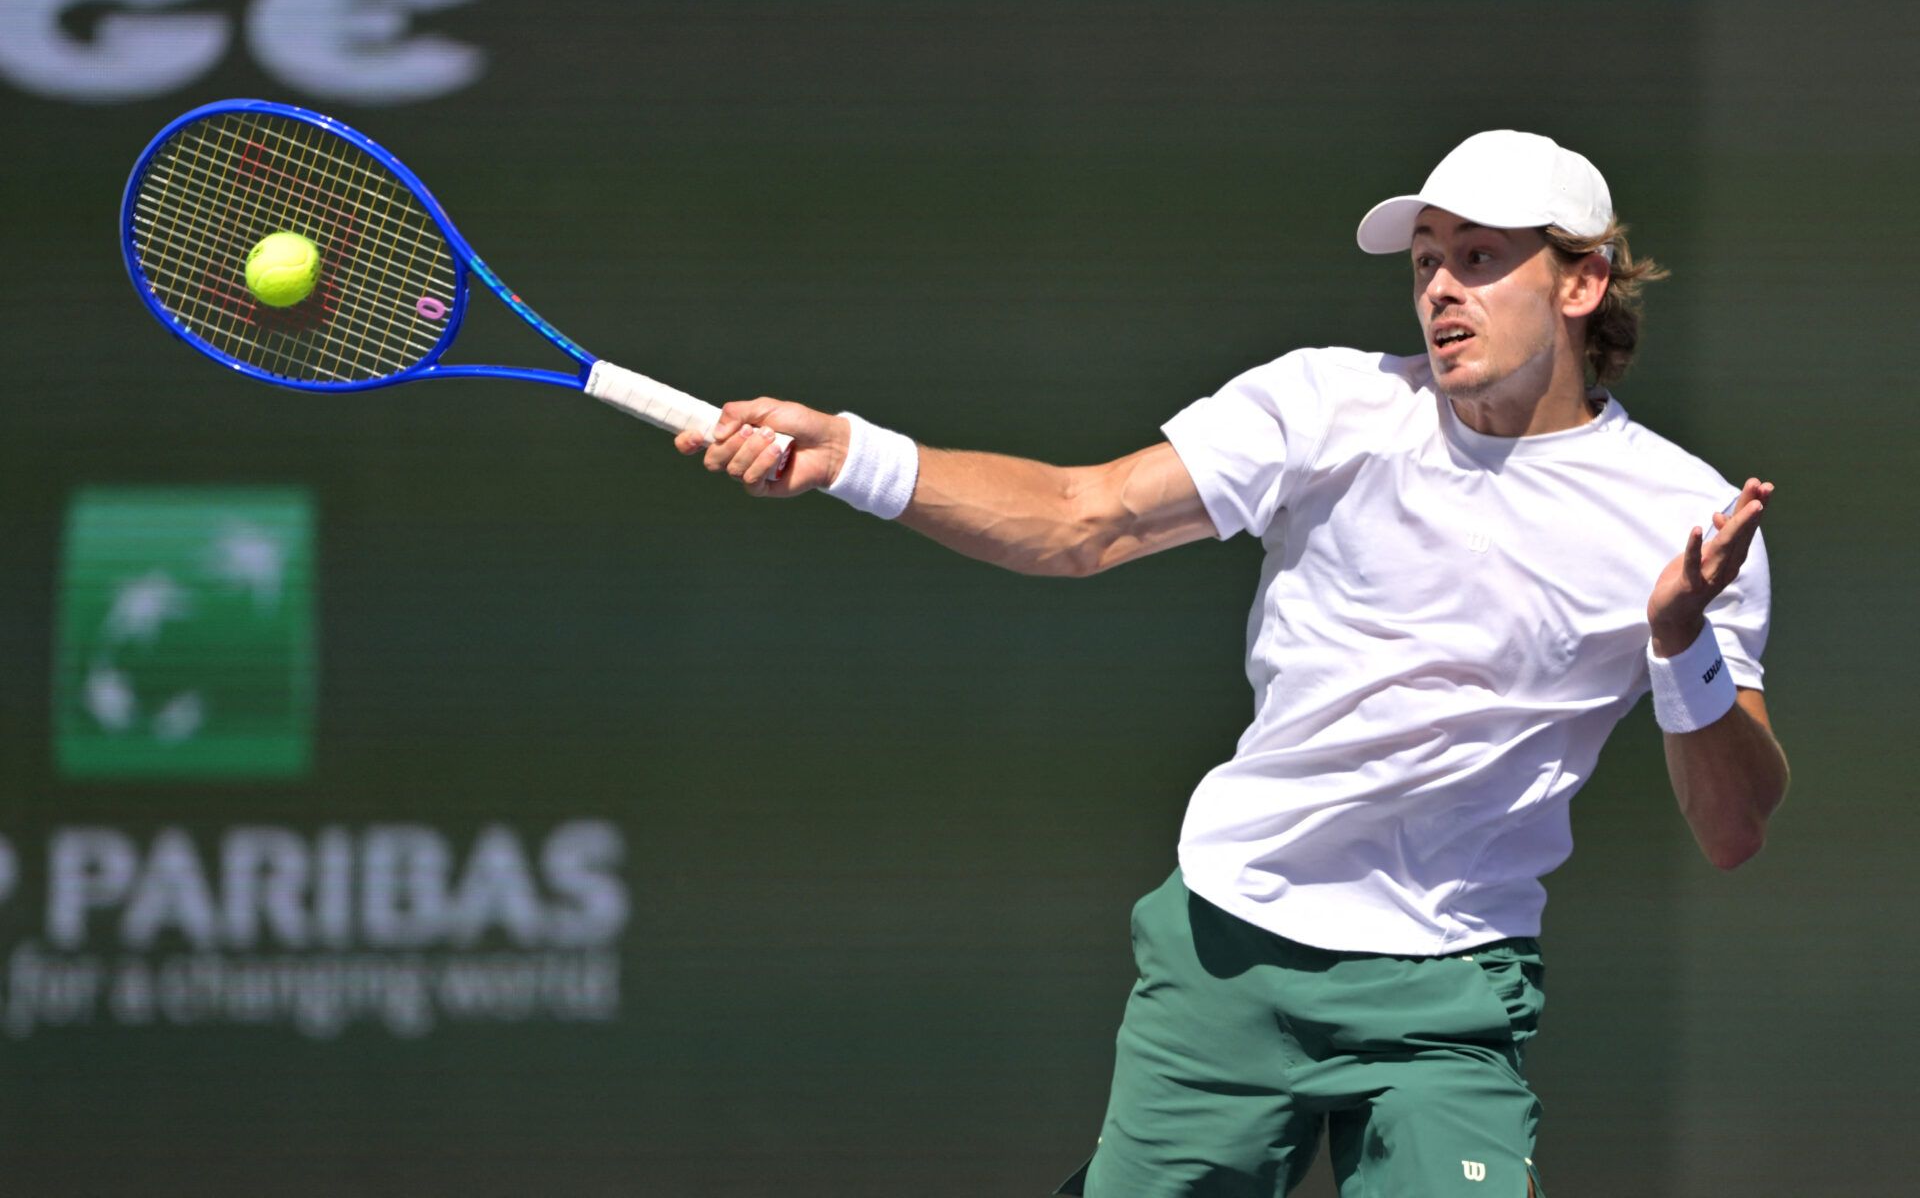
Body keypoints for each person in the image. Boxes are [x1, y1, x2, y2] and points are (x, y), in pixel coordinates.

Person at [675, 130, 1789, 1197]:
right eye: (1426, 261)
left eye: (1482, 258)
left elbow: (1733, 828)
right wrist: (854, 456)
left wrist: (1680, 638)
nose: (1442, 288)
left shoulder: (1686, 519)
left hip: (1451, 991)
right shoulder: (1328, 402)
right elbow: (1084, 516)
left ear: (1582, 284)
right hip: (1230, 950)